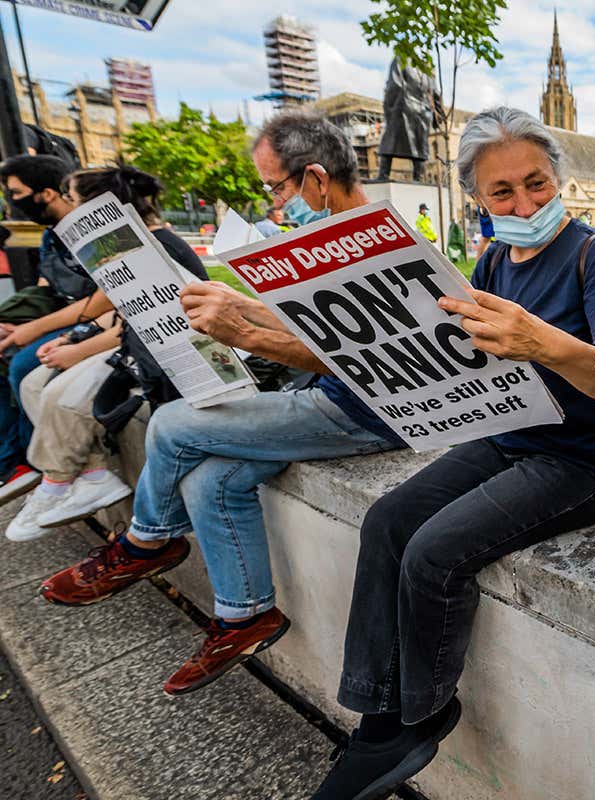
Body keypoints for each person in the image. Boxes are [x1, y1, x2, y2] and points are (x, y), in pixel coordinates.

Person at [312, 107, 595, 799]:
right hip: (507, 434)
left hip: (585, 460)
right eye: (503, 192)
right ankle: (376, 719)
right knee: (386, 521)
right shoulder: (492, 259)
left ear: (559, 179)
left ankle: (422, 714)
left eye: (537, 184)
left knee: (435, 553)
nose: (525, 205)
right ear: (477, 198)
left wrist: (540, 341)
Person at [38, 112, 405, 696]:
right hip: (327, 398)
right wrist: (239, 309)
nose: (275, 203)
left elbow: (360, 361)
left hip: (366, 414)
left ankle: (145, 542)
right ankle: (244, 617)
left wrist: (248, 333)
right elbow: (312, 330)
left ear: (315, 177)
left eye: (276, 188)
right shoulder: (324, 236)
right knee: (210, 482)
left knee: (171, 424)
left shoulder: (373, 241)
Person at [8, 166, 209, 541]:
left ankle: (58, 480)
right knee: (33, 383)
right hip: (131, 342)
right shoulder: (126, 243)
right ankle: (89, 476)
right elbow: (119, 310)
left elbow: (146, 321)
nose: (68, 207)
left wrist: (80, 348)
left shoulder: (155, 245)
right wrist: (72, 339)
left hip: (156, 352)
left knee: (59, 396)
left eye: (72, 199)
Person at [0, 155, 117, 504]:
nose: (11, 201)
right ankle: (15, 462)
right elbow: (46, 290)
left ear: (47, 193)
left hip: (90, 321)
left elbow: (102, 302)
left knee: (24, 366)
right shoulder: (52, 236)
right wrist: (20, 323)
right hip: (69, 317)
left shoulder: (96, 234)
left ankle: (35, 463)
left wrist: (35, 331)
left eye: (15, 193)